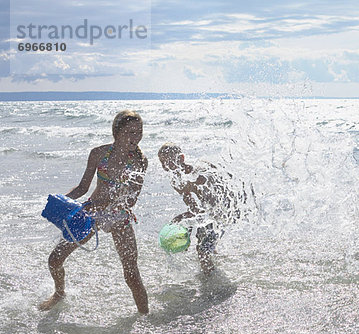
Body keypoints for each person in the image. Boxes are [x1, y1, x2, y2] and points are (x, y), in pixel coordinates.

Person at [39, 110, 149, 314]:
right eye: (130, 132)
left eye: (139, 132)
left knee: (132, 274)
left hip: (119, 215)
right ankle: (59, 294)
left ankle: (145, 317)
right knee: (55, 259)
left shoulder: (140, 161)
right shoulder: (99, 153)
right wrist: (61, 201)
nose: (136, 137)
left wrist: (105, 204)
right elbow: (82, 188)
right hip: (92, 213)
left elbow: (131, 200)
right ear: (117, 132)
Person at [158, 143, 246, 273]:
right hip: (209, 212)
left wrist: (184, 218)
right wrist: (185, 225)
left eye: (169, 161)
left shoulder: (196, 174)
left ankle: (212, 283)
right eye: (162, 163)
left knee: (202, 251)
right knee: (203, 244)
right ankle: (214, 267)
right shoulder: (176, 181)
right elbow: (194, 208)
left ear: (181, 158)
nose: (166, 166)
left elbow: (212, 203)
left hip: (222, 210)